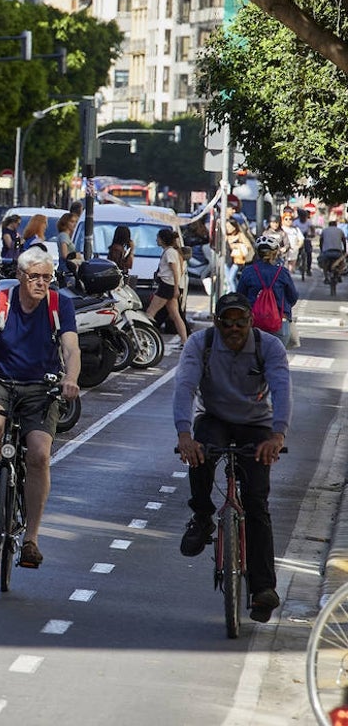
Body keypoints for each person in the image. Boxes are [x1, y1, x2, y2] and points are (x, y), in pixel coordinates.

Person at [0, 246, 81, 568]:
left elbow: (71, 348)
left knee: (38, 454)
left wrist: (72, 379)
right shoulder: (0, 300)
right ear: (20, 276)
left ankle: (31, 540)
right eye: (35, 276)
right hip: (0, 380)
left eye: (47, 277)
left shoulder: (58, 303)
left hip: (41, 387)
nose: (42, 283)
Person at [173, 292, 290, 623]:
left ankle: (263, 588)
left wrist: (277, 436)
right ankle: (202, 516)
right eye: (228, 322)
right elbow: (184, 387)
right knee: (201, 451)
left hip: (257, 423)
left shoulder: (269, 347)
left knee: (256, 503)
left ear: (251, 322)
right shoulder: (201, 344)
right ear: (217, 322)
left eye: (241, 322)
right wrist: (183, 436)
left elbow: (282, 390)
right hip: (215, 417)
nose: (234, 328)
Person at [237, 232, 299, 346]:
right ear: (275, 254)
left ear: (257, 253)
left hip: (253, 323)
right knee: (278, 358)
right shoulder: (282, 273)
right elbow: (293, 297)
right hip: (279, 323)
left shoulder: (248, 272)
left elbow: (240, 296)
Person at [143, 227, 188, 343]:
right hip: (170, 286)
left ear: (162, 239)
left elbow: (175, 270)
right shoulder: (173, 251)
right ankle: (185, 340)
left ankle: (145, 337)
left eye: (158, 238)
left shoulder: (170, 252)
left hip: (167, 285)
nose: (156, 240)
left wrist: (176, 287)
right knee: (175, 315)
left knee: (150, 313)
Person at [225, 217, 254, 289]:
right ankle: (235, 292)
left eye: (229, 226)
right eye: (226, 226)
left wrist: (237, 245)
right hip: (227, 260)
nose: (227, 228)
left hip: (237, 260)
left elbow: (248, 246)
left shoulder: (240, 235)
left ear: (234, 227)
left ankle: (235, 295)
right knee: (230, 280)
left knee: (231, 278)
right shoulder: (225, 236)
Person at [319, 215, 347, 281]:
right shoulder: (340, 230)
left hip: (327, 252)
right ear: (336, 225)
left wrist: (321, 250)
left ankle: (326, 277)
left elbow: (321, 241)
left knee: (323, 263)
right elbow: (344, 241)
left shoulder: (325, 230)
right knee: (342, 263)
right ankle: (339, 274)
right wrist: (344, 250)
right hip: (337, 252)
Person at [55, 212, 79, 277]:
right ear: (65, 222)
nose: (74, 224)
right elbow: (64, 254)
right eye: (72, 222)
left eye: (76, 222)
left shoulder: (66, 236)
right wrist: (76, 255)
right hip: (66, 268)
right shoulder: (64, 236)